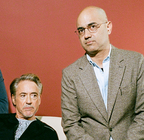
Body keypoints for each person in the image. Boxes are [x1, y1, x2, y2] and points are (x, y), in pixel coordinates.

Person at [61, 6, 144, 140]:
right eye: (81, 30)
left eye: (92, 26)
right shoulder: (70, 74)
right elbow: (70, 124)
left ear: (108, 27)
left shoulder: (136, 62)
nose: (86, 35)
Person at [0, 73, 59, 140]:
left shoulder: (48, 133)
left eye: (34, 95)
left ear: (39, 99)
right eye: (23, 95)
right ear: (13, 99)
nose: (29, 101)